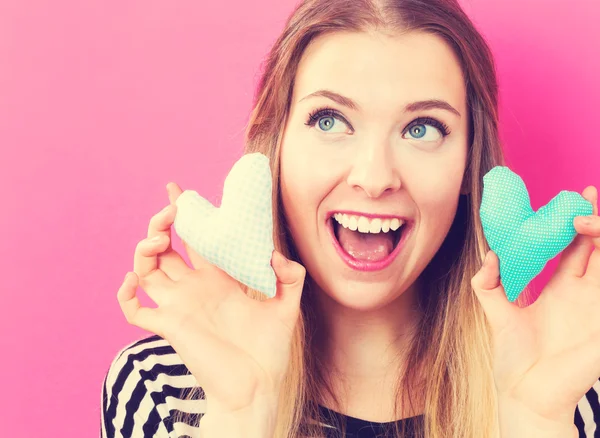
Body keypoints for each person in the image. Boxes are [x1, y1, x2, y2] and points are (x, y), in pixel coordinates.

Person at [100, 0, 600, 437]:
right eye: (330, 120)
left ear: (470, 166)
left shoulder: (567, 391)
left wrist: (534, 424)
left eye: (423, 128)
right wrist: (242, 413)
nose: (375, 176)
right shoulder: (161, 390)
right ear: (276, 147)